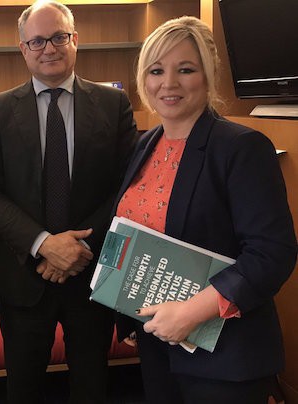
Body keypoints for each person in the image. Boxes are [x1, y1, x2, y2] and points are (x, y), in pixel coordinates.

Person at [113, 16, 297, 404]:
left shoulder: (242, 147)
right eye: (156, 70)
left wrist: (192, 312)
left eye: (185, 69)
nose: (169, 83)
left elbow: (271, 253)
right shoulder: (145, 144)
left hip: (225, 356)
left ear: (208, 74)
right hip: (159, 344)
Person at [0, 1, 138, 402]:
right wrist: (44, 243)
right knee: (23, 388)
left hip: (92, 271)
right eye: (38, 40)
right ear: (23, 48)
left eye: (59, 37)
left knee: (92, 385)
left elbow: (128, 187)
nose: (50, 48)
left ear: (75, 40)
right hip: (23, 274)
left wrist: (77, 248)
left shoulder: (114, 105)